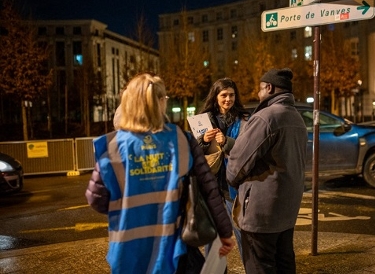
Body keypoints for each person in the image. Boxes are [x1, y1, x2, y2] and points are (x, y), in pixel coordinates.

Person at [85, 73, 235, 274]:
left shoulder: (111, 145)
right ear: (160, 103)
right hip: (172, 246)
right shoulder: (181, 140)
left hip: (128, 246)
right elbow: (209, 190)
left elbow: (96, 199)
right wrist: (225, 232)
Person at [226, 68, 308, 274]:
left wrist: (231, 179)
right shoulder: (296, 118)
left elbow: (239, 161)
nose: (258, 94)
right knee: (284, 263)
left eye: (260, 89)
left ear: (269, 88)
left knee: (259, 265)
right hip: (287, 208)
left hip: (261, 212)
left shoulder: (265, 117)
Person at [196, 78, 250, 259]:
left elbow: (248, 149)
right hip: (211, 186)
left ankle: (250, 268)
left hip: (233, 185)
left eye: (232, 95)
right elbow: (195, 150)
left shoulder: (244, 120)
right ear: (216, 96)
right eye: (224, 95)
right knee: (214, 237)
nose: (228, 99)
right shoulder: (204, 118)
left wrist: (227, 142)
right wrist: (204, 140)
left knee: (241, 231)